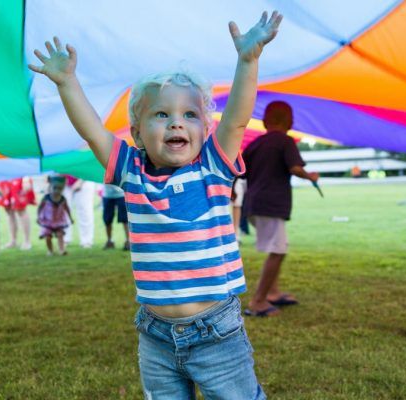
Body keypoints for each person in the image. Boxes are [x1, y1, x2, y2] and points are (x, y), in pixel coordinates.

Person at [28, 10, 281, 398]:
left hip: (217, 332)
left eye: (190, 115)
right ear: (137, 133)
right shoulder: (131, 172)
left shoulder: (212, 167)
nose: (177, 123)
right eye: (161, 115)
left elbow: (236, 121)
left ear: (205, 129)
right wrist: (67, 83)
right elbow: (94, 131)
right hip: (155, 334)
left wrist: (247, 61)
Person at [242, 101, 319, 317]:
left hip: (254, 205)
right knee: (278, 251)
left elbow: (239, 170)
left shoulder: (256, 144)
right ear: (290, 122)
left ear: (265, 122)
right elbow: (295, 167)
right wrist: (310, 176)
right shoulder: (285, 141)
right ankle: (258, 301)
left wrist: (231, 191)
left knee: (275, 247)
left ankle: (273, 293)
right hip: (270, 204)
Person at [0, 177, 36, 250]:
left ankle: (27, 241)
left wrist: (26, 179)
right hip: (6, 177)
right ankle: (13, 240)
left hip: (19, 177)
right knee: (9, 211)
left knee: (21, 210)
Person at [37, 176, 72, 256]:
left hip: (58, 221)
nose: (57, 191)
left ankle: (62, 250)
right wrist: (38, 217)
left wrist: (70, 218)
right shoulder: (46, 198)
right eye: (55, 188)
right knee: (48, 236)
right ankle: (50, 250)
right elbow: (40, 207)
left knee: (60, 235)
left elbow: (67, 209)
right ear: (50, 187)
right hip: (47, 221)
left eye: (59, 189)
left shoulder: (63, 199)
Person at [63, 176, 95, 248]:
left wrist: (81, 181)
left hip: (84, 178)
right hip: (65, 179)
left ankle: (87, 240)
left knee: (84, 210)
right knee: (64, 211)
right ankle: (65, 238)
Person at [101, 183, 129, 250]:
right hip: (107, 195)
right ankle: (109, 241)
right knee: (107, 219)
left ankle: (128, 241)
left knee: (125, 219)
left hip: (121, 194)